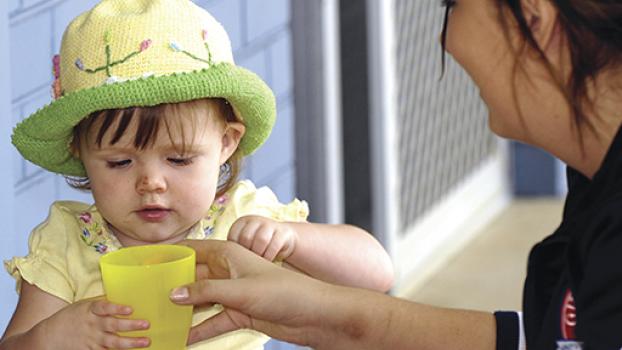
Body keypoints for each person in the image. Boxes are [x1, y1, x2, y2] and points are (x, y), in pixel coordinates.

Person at [168, 0, 622, 349]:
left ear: (533, 16)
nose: (447, 42)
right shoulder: (593, 183)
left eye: (454, 7)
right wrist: (322, 314)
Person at [0, 1, 394, 349]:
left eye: (180, 159)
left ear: (226, 143)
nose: (151, 183)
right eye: (120, 162)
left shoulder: (240, 221)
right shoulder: (67, 245)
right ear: (79, 151)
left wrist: (293, 240)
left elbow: (376, 274)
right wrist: (52, 337)